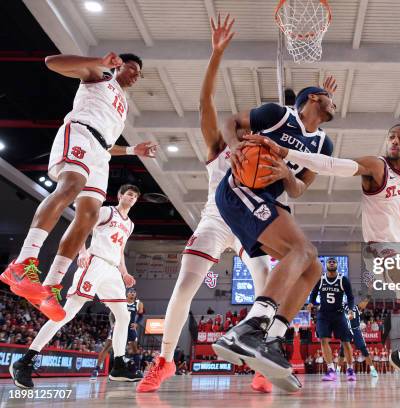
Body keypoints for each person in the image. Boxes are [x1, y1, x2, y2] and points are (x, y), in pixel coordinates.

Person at [245, 124, 400, 401]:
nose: (394, 141)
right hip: (379, 248)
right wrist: (286, 151)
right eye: (391, 136)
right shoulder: (377, 167)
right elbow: (332, 164)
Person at [136, 15, 273, 394]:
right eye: (240, 127)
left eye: (250, 128)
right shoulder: (219, 149)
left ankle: (262, 362)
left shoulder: (268, 159)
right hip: (214, 221)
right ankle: (164, 360)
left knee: (270, 290)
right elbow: (204, 104)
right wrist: (216, 55)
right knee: (183, 287)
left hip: (250, 226)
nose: (244, 131)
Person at [211, 41, 338, 390]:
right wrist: (235, 146)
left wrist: (285, 173)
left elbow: (298, 189)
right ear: (313, 99)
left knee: (310, 266)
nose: (334, 101)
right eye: (327, 98)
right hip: (239, 189)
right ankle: (250, 328)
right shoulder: (276, 115)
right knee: (302, 251)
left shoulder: (324, 145)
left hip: (266, 195)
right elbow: (230, 121)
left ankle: (273, 339)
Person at [0, 52, 157, 322]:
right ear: (120, 64)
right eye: (133, 68)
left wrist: (133, 149)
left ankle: (51, 286)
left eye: (139, 73)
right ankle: (24, 262)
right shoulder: (100, 75)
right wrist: (98, 60)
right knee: (70, 187)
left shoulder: (122, 104)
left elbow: (107, 144)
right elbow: (51, 62)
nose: (136, 75)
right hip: (81, 134)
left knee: (88, 217)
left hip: (101, 152)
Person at [9, 185, 143, 388]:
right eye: (129, 194)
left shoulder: (130, 224)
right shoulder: (108, 211)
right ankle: (24, 361)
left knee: (124, 316)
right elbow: (83, 226)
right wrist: (82, 251)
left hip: (113, 269)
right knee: (67, 313)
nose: (132, 198)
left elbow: (121, 249)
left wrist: (124, 273)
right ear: (120, 195)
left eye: (135, 196)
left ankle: (117, 366)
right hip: (95, 262)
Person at [307, 257, 356, 381]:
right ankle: (331, 370)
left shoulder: (343, 279)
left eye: (334, 262)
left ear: (337, 265)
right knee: (323, 340)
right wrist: (311, 303)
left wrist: (350, 309)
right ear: (326, 265)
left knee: (345, 342)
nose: (332, 263)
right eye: (330, 262)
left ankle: (350, 369)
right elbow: (313, 293)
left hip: (339, 314)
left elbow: (350, 297)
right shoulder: (321, 279)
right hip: (323, 314)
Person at [338, 298, 379, 377]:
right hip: (346, 330)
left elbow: (365, 301)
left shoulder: (356, 307)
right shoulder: (342, 307)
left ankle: (373, 369)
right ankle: (337, 371)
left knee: (364, 349)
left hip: (356, 330)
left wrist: (370, 292)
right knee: (342, 351)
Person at [126, 288, 144, 375]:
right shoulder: (122, 301)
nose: (132, 293)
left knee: (135, 349)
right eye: (130, 292)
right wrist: (112, 324)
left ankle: (137, 369)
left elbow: (141, 316)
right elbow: (112, 314)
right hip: (120, 327)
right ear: (127, 294)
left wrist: (136, 323)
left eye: (134, 292)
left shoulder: (138, 303)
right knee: (114, 347)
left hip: (131, 328)